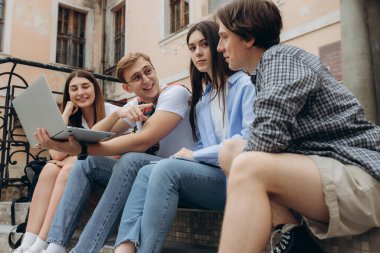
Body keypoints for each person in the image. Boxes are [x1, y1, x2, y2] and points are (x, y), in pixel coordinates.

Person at [215, 1, 380, 253]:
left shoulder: (279, 58)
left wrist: (242, 182)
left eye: (224, 37)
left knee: (248, 165)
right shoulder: (266, 70)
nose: (219, 47)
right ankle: (293, 238)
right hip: (332, 169)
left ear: (248, 37)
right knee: (231, 150)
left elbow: (269, 136)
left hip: (362, 174)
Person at [114, 20, 256, 253]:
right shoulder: (202, 101)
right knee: (146, 170)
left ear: (218, 45)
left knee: (165, 169)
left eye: (204, 44)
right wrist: (190, 155)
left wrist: (195, 154)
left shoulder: (243, 85)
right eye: (192, 48)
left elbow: (249, 139)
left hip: (237, 178)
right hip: (211, 176)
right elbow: (202, 142)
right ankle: (125, 248)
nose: (198, 52)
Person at [34, 52, 194, 253]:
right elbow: (95, 134)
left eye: (148, 71)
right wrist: (118, 113)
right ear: (127, 88)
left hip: (178, 172)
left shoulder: (174, 93)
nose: (146, 80)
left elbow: (143, 140)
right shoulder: (136, 104)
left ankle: (82, 250)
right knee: (86, 162)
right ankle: (56, 246)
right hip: (148, 174)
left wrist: (82, 149)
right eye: (137, 78)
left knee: (130, 159)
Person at [13, 70, 121, 253]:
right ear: (68, 94)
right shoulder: (73, 118)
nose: (80, 92)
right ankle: (27, 242)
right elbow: (55, 156)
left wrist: (73, 158)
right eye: (74, 89)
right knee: (49, 169)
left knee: (69, 167)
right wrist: (67, 111)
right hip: (78, 178)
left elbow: (117, 152)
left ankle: (43, 241)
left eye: (85, 86)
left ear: (95, 88)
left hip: (108, 178)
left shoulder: (113, 113)